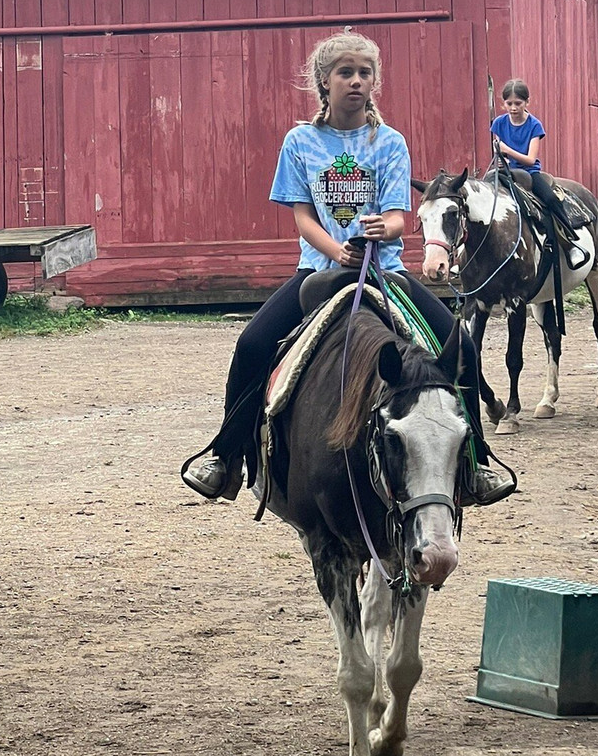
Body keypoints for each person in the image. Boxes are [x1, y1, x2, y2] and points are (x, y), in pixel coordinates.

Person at [182, 30, 514, 508]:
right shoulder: (300, 141)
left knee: (459, 344)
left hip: (385, 272)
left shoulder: (390, 142)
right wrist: (336, 252)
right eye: (345, 72)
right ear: (325, 80)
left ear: (374, 81)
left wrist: (385, 227)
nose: (356, 80)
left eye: (364, 73)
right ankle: (226, 456)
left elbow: (398, 217)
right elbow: (302, 216)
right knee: (251, 344)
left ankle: (476, 463)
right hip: (318, 272)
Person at [490, 79, 587, 269]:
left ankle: (570, 242)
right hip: (506, 172)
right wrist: (501, 157)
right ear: (503, 104)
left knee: (550, 199)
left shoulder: (534, 125)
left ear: (527, 102)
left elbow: (530, 159)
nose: (513, 108)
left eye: (518, 103)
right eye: (509, 103)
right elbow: (498, 150)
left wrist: (507, 150)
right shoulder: (499, 123)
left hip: (529, 173)